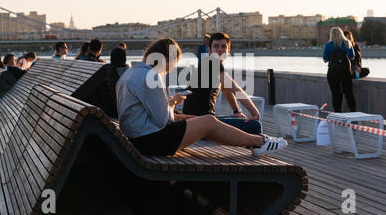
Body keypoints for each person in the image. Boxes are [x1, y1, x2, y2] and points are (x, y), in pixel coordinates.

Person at [116, 38, 287, 158]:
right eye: (175, 61)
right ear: (167, 58)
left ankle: (256, 144)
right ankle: (260, 141)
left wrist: (182, 117)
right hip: (151, 142)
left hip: (138, 139)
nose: (174, 67)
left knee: (205, 122)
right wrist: (173, 103)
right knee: (209, 122)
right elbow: (162, 121)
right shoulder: (150, 76)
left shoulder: (131, 73)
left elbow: (150, 115)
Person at [183, 32, 262, 134]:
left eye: (223, 46)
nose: (220, 49)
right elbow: (236, 89)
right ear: (210, 50)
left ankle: (252, 144)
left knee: (237, 119)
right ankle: (257, 146)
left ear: (228, 50)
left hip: (194, 123)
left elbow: (226, 89)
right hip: (202, 125)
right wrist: (255, 113)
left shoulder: (208, 63)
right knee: (254, 125)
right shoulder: (213, 63)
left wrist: (237, 111)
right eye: (216, 46)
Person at [323, 27, 356, 112]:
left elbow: (325, 59)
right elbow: (352, 57)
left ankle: (338, 115)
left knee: (335, 94)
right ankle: (353, 115)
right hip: (345, 72)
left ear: (331, 34)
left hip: (333, 72)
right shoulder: (347, 43)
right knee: (349, 94)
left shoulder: (328, 45)